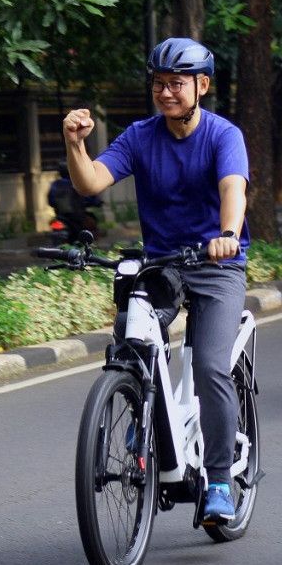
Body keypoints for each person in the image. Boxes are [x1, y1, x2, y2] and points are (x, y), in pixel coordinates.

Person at [62, 37, 250, 523]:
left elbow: (233, 187)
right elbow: (91, 182)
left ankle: (221, 482)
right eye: (159, 84)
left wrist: (227, 234)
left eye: (177, 84)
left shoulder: (223, 135)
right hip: (162, 263)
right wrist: (75, 143)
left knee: (210, 368)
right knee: (132, 340)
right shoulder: (141, 136)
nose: (166, 93)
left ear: (201, 86)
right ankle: (142, 406)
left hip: (216, 266)